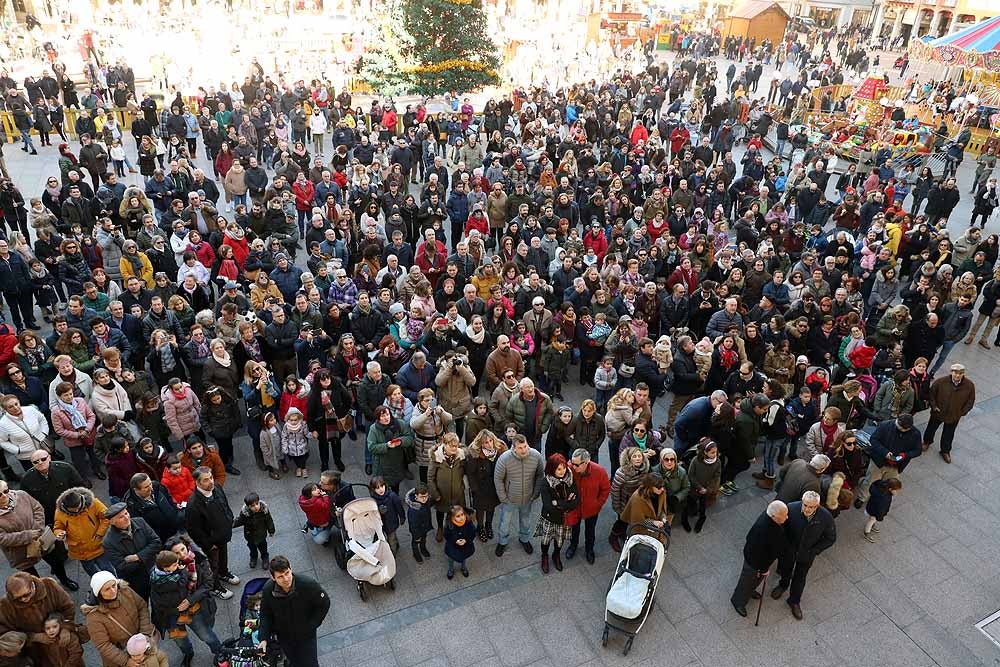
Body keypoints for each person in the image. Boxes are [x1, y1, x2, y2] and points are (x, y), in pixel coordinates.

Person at [16, 451, 82, 589]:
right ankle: (62, 563)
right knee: (54, 546)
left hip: (68, 512)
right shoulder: (27, 479)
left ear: (49, 458)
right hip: (47, 518)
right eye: (36, 462)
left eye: (43, 459)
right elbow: (27, 502)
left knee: (78, 534)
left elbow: (79, 487)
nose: (40, 463)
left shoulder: (65, 468)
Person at [148, 546, 222, 667]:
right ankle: (197, 653)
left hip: (179, 611)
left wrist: (188, 600)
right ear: (166, 568)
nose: (178, 563)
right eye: (175, 563)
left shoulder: (155, 577)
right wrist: (183, 572)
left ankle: (217, 650)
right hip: (175, 613)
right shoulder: (175, 575)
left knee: (204, 634)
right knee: (186, 639)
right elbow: (181, 587)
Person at [770, 491, 836, 620]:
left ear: (817, 506)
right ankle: (783, 585)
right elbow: (781, 528)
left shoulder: (825, 517)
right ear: (802, 501)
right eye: (805, 505)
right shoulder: (791, 508)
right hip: (789, 551)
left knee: (800, 578)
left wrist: (814, 551)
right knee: (785, 569)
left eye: (811, 507)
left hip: (807, 555)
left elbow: (830, 538)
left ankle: (794, 601)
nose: (807, 509)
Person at [257, 556, 331, 667]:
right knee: (294, 660)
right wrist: (263, 638)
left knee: (310, 663)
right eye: (280, 577)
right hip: (284, 635)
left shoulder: (308, 584)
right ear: (273, 578)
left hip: (306, 634)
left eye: (287, 573)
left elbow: (324, 603)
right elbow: (265, 613)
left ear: (291, 569)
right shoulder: (268, 590)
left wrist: (312, 624)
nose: (286, 579)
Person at [0, 572, 84, 666]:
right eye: (18, 598)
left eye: (26, 594)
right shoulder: (5, 605)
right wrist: (34, 637)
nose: (23, 599)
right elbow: (5, 633)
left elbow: (68, 608)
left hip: (61, 644)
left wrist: (66, 628)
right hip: (37, 651)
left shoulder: (50, 586)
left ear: (32, 585)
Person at [83, 571, 159, 667]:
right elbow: (103, 645)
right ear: (99, 594)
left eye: (114, 585)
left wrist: (144, 634)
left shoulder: (125, 591)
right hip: (124, 654)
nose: (113, 591)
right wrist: (126, 661)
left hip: (145, 643)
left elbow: (142, 607)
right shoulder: (93, 617)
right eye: (107, 589)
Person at [184, 467, 239, 599]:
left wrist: (229, 518)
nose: (211, 482)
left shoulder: (217, 488)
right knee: (212, 565)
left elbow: (225, 505)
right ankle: (215, 587)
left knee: (223, 557)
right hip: (210, 541)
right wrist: (208, 544)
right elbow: (194, 530)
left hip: (223, 534)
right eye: (206, 480)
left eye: (211, 477)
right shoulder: (193, 505)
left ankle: (223, 572)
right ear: (197, 482)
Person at [730, 500, 789, 617]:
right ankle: (738, 601)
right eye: (783, 516)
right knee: (746, 581)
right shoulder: (765, 529)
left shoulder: (769, 521)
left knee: (754, 580)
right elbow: (761, 554)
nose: (786, 518)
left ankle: (750, 591)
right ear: (773, 516)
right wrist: (764, 570)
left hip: (758, 560)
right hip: (754, 562)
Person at [492, 434, 544, 557]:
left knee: (525, 520)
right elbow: (498, 478)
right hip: (509, 498)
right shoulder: (504, 458)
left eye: (525, 446)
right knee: (505, 522)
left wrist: (535, 493)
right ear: (513, 448)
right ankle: (502, 542)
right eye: (520, 448)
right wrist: (503, 497)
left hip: (527, 497)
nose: (524, 450)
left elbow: (540, 475)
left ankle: (524, 539)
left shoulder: (536, 455)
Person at [857, 414, 922, 505]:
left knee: (888, 484)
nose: (902, 430)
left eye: (905, 429)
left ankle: (879, 499)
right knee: (870, 481)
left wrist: (905, 455)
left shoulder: (915, 434)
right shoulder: (885, 425)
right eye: (900, 427)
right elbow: (874, 440)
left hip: (896, 466)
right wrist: (885, 452)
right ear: (897, 420)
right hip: (878, 461)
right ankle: (862, 497)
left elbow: (917, 450)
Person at [101, 503, 161, 600]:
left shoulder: (140, 522)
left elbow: (156, 543)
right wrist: (147, 555)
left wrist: (138, 556)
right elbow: (122, 566)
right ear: (112, 522)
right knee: (142, 605)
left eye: (126, 513)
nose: (126, 517)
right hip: (137, 581)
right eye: (121, 517)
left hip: (156, 570)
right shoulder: (108, 542)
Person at [533, 453, 579, 573]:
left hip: (564, 518)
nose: (562, 471)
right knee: (546, 540)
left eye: (564, 468)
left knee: (560, 541)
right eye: (559, 469)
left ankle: (556, 555)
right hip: (550, 518)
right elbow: (548, 505)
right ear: (552, 468)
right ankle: (544, 556)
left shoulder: (570, 477)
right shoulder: (546, 482)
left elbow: (577, 499)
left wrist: (558, 503)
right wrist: (566, 502)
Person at [922, 363, 976, 463]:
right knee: (931, 428)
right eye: (955, 373)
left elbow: (970, 401)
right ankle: (926, 442)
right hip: (938, 412)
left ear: (963, 374)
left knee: (949, 433)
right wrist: (934, 406)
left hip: (954, 415)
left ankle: (945, 451)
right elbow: (932, 394)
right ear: (951, 372)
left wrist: (962, 412)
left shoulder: (969, 385)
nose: (957, 375)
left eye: (960, 373)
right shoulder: (940, 382)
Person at [53, 486, 113, 576]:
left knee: (109, 571)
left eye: (78, 507)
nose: (77, 511)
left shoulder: (94, 503)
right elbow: (57, 526)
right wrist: (59, 533)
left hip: (97, 545)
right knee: (93, 575)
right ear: (65, 507)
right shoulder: (59, 512)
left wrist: (100, 534)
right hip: (80, 551)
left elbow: (107, 517)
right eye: (73, 510)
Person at [565, 448, 609, 564]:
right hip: (575, 508)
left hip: (591, 509)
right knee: (574, 529)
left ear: (586, 463)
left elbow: (605, 489)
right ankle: (573, 546)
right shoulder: (569, 468)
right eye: (572, 463)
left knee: (590, 531)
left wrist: (598, 504)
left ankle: (589, 550)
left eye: (577, 464)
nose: (573, 467)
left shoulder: (599, 471)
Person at [683, 438, 722, 533]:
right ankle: (685, 517)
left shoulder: (717, 462)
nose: (715, 455)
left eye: (716, 452)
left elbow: (716, 476)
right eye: (712, 452)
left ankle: (702, 518)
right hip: (694, 488)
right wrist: (699, 487)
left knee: (702, 505)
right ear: (705, 452)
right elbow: (691, 475)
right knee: (690, 503)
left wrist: (707, 489)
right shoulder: (696, 460)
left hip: (706, 489)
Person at [443, 504, 476, 580]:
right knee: (451, 558)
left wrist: (466, 540)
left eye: (462, 515)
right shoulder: (449, 525)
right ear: (452, 517)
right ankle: (451, 569)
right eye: (458, 516)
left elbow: (472, 533)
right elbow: (447, 535)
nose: (461, 518)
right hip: (452, 547)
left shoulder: (468, 523)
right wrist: (455, 541)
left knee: (463, 557)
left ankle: (463, 568)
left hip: (465, 546)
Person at [864, 477, 902, 542]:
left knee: (872, 520)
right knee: (871, 520)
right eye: (896, 490)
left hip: (871, 507)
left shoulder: (880, 487)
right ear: (890, 489)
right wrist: (880, 517)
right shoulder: (884, 498)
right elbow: (881, 509)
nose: (897, 492)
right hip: (875, 512)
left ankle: (871, 526)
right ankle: (867, 532)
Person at [405, 483, 433, 563]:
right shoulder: (413, 509)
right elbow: (413, 524)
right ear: (416, 496)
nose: (424, 499)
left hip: (425, 527)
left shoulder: (426, 502)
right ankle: (416, 553)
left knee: (424, 539)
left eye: (426, 496)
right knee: (415, 541)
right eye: (422, 497)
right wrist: (416, 535)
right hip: (416, 531)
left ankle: (423, 549)